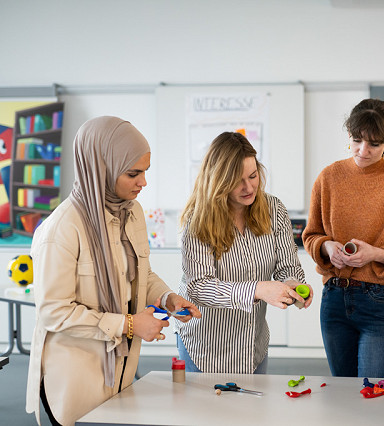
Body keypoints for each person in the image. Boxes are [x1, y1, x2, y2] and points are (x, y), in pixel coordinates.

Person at [25, 116, 201, 426]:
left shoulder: (131, 213)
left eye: (145, 171)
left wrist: (168, 298)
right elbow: (54, 311)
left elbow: (139, 274)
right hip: (74, 379)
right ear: (101, 168)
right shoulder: (62, 228)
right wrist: (130, 325)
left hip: (120, 373)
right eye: (133, 173)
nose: (143, 182)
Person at [302, 98, 384, 378]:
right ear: (349, 134)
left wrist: (377, 254)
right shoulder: (329, 177)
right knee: (343, 398)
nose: (363, 150)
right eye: (357, 140)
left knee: (376, 401)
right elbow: (310, 235)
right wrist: (326, 246)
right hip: (335, 298)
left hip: (381, 303)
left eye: (373, 143)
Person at [176, 131, 310, 374]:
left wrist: (293, 285)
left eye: (253, 175)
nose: (249, 187)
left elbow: (287, 266)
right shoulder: (198, 220)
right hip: (206, 349)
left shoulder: (274, 209)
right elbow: (199, 286)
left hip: (253, 347)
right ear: (219, 180)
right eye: (238, 181)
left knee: (254, 412)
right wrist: (257, 289)